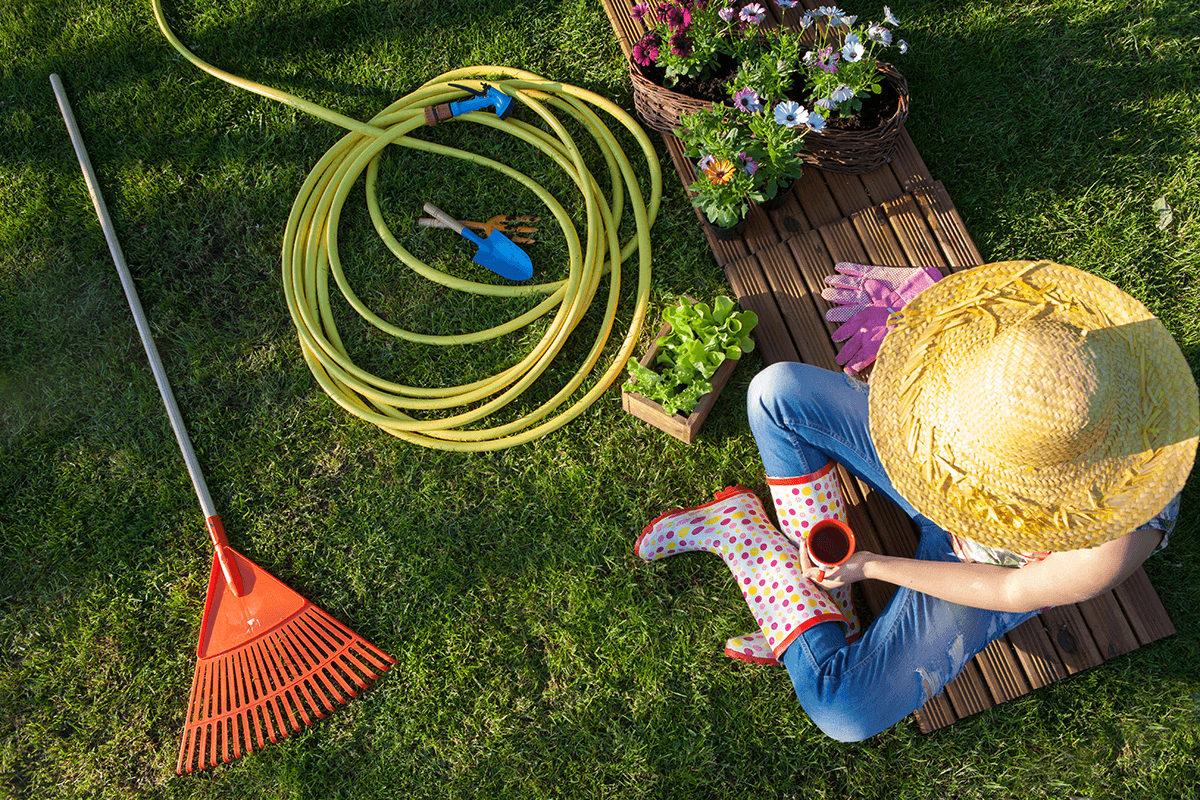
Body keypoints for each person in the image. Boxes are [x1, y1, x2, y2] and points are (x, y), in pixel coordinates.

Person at [635, 260, 1198, 741]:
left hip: (976, 567)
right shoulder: (1060, 361)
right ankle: (828, 608)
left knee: (843, 710)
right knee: (776, 391)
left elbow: (1010, 587)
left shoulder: (1113, 538)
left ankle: (746, 542)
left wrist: (873, 566)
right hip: (935, 465)